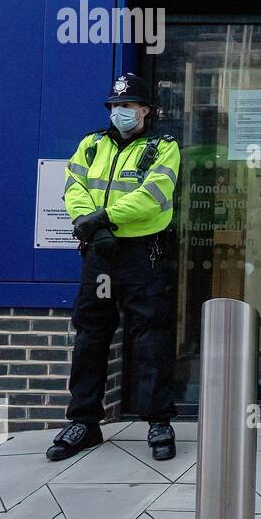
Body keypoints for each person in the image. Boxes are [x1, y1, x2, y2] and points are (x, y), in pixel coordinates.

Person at [49, 73, 180, 462]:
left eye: (127, 106)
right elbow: (74, 186)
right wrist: (90, 224)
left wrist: (103, 218)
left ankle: (158, 420)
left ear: (145, 110)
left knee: (150, 335)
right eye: (114, 106)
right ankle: (84, 421)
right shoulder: (91, 145)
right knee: (91, 333)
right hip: (100, 252)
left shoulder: (162, 146)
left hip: (142, 252)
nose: (119, 112)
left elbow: (154, 195)